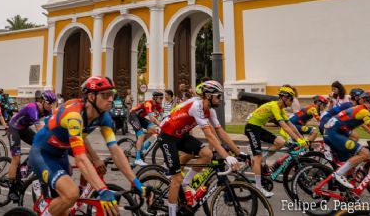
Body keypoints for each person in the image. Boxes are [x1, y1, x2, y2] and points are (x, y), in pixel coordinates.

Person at [28, 76, 146, 216]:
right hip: (42, 153)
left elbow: (115, 150)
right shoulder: (74, 116)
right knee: (72, 194)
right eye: (106, 95)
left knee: (66, 210)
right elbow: (80, 158)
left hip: (61, 153)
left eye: (112, 94)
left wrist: (135, 181)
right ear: (91, 96)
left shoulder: (104, 117)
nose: (111, 99)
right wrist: (102, 190)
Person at [159, 80, 245, 211]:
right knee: (176, 180)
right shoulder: (197, 106)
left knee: (207, 154)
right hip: (167, 136)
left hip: (180, 135)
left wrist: (239, 153)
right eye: (218, 96)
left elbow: (220, 132)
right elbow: (209, 135)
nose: (221, 99)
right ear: (209, 96)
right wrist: (227, 156)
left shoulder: (210, 111)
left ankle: (186, 183)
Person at [244, 86, 308, 197]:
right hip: (251, 127)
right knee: (257, 157)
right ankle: (259, 188)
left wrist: (301, 138)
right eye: (291, 99)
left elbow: (291, 125)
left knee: (280, 142)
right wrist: (298, 140)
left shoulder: (281, 109)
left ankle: (262, 159)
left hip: (258, 128)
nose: (292, 102)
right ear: (284, 98)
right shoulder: (274, 106)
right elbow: (284, 126)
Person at [325, 91, 370, 189]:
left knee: (354, 155)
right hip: (334, 134)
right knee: (365, 153)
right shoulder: (364, 111)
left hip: (335, 132)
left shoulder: (361, 109)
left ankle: (346, 190)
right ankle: (339, 174)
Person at [6, 89, 56, 201]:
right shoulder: (32, 108)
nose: (50, 106)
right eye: (49, 103)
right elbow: (39, 129)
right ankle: (12, 189)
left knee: (41, 146)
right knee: (16, 158)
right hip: (14, 128)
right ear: (41, 101)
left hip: (24, 129)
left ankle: (24, 168)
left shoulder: (48, 110)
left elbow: (51, 127)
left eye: (52, 104)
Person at [128, 90, 163, 166]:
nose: (161, 100)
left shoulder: (158, 105)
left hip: (140, 118)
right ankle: (138, 159)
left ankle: (142, 144)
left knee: (153, 129)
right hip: (133, 116)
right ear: (155, 97)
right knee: (141, 134)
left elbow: (163, 116)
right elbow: (152, 119)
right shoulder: (148, 103)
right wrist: (161, 125)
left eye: (162, 98)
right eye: (160, 98)